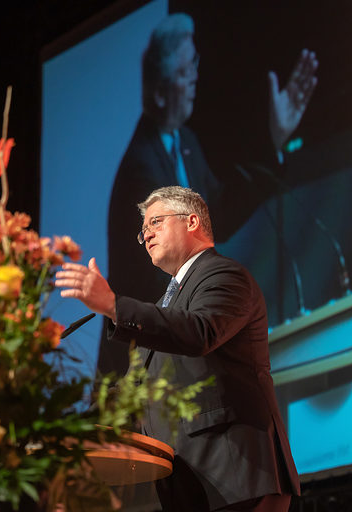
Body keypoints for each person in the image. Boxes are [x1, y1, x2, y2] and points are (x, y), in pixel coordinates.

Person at [56, 186, 300, 511]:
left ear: (192, 221)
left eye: (155, 222)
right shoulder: (166, 306)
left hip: (237, 476)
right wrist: (63, 428)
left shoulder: (225, 276)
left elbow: (199, 333)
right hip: (188, 485)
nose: (147, 235)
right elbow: (132, 392)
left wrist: (114, 306)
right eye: (144, 231)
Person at [104, 12, 318, 374]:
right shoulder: (142, 168)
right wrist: (213, 315)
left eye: (195, 65)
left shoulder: (184, 142)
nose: (195, 79)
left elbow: (217, 210)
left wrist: (274, 144)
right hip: (141, 365)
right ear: (159, 90)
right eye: (186, 72)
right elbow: (158, 271)